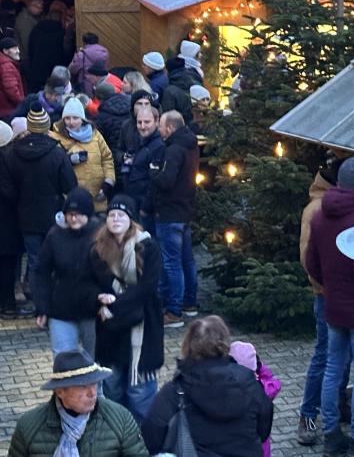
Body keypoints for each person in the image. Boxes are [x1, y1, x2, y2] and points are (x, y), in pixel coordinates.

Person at [303, 157, 354, 456]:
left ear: (338, 182)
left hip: (334, 306)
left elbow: (311, 262)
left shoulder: (319, 216)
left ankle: (331, 436)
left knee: (333, 370)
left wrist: (330, 286)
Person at [142, 315, 274, 456]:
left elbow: (151, 437)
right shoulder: (248, 380)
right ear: (224, 343)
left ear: (188, 344)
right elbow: (264, 428)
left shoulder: (175, 390)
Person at [89, 195, 164, 424]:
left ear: (131, 219)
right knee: (112, 393)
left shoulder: (148, 247)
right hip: (111, 332)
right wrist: (99, 299)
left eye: (121, 214)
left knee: (140, 397)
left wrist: (115, 305)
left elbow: (147, 287)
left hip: (143, 330)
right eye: (111, 214)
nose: (116, 218)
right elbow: (95, 282)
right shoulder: (98, 250)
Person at [8, 349, 148, 457]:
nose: (92, 393)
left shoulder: (120, 419)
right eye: (82, 386)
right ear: (60, 392)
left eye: (93, 384)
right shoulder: (29, 426)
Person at [1, 104, 77, 299]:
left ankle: (39, 305)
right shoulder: (57, 153)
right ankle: (54, 301)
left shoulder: (12, 153)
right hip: (52, 214)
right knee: (54, 259)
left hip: (25, 217)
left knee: (35, 261)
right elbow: (70, 186)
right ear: (46, 127)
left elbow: (9, 188)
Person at [33, 188, 101, 356]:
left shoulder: (101, 234)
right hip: (61, 310)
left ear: (88, 214)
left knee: (94, 363)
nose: (73, 218)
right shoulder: (55, 235)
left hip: (92, 310)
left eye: (78, 213)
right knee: (63, 362)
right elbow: (41, 271)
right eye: (69, 214)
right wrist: (42, 307)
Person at [296, 162, 334, 445]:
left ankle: (336, 408)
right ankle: (308, 414)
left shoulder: (332, 205)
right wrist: (323, 286)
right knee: (323, 356)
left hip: (338, 295)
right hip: (325, 295)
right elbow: (308, 258)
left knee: (336, 356)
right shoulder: (316, 210)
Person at [151, 110, 199, 327]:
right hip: (185, 211)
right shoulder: (191, 145)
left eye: (161, 126)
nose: (159, 130)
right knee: (187, 260)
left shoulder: (173, 150)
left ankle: (173, 312)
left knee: (172, 263)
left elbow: (166, 181)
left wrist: (153, 172)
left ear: (169, 128)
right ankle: (190, 304)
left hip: (170, 213)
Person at [49, 97, 115, 213]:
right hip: (73, 200)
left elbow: (107, 159)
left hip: (97, 196)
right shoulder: (55, 137)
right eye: (67, 118)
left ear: (82, 118)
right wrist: (68, 160)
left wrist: (108, 182)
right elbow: (53, 165)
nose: (71, 122)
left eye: (75, 118)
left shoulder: (95, 134)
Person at [229, 341, 282, 457]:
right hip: (260, 445)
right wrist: (260, 368)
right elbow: (275, 384)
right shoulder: (261, 389)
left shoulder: (228, 388)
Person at [122, 107, 164, 234]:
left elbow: (155, 180)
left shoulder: (158, 146)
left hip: (146, 208)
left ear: (157, 122)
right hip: (135, 203)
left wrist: (146, 206)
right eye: (139, 122)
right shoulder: (141, 141)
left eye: (147, 122)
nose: (142, 126)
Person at [0, 120, 24, 318]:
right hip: (6, 221)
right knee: (8, 264)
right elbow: (9, 192)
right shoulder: (6, 161)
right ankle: (7, 305)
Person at [91, 82, 130, 155]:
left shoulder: (102, 115)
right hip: (131, 147)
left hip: (113, 150)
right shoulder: (130, 104)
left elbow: (98, 137)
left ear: (99, 98)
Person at [0, 36, 24, 120]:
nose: (18, 51)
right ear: (5, 51)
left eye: (18, 48)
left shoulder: (3, 63)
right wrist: (23, 103)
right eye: (14, 48)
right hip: (8, 110)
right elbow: (12, 91)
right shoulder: (7, 66)